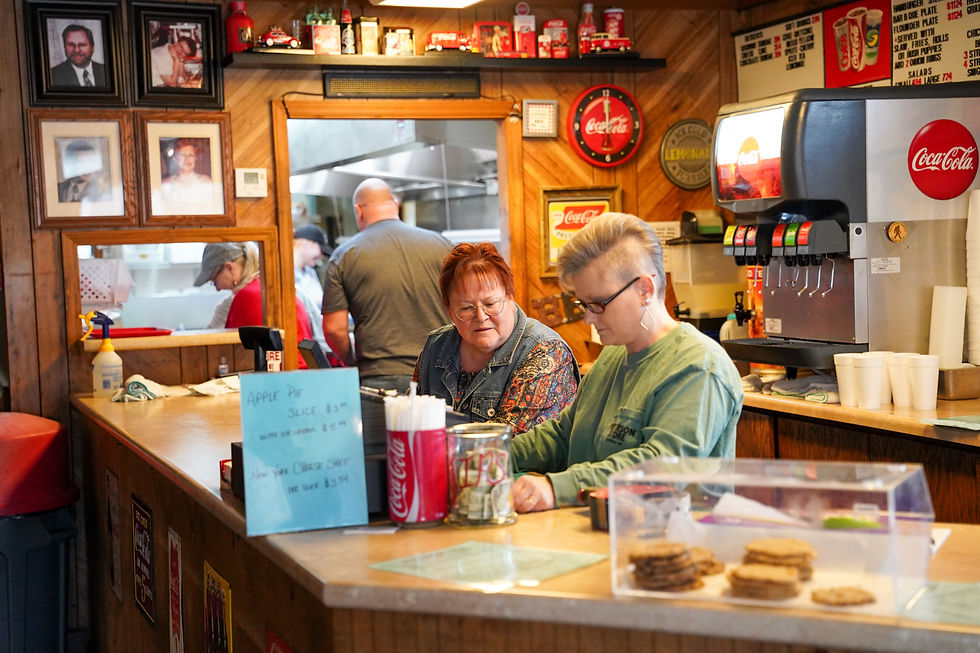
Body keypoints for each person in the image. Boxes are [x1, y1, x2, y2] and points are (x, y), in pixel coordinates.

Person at [510, 213, 743, 513]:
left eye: (598, 304)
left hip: (671, 545)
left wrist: (557, 488)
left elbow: (663, 468)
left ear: (644, 289)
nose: (588, 318)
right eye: (583, 304)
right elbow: (564, 435)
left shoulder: (699, 367)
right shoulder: (613, 353)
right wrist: (492, 454)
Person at [414, 243, 580, 432]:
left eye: (490, 303)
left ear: (510, 298)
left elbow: (510, 442)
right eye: (466, 308)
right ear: (450, 311)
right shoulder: (436, 347)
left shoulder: (546, 352)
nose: (481, 317)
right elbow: (411, 420)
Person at [322, 178, 452, 392]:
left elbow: (335, 329)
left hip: (380, 377)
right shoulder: (442, 245)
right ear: (395, 205)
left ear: (358, 210)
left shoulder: (345, 255)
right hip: (440, 374)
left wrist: (351, 359)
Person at [194, 242, 313, 365]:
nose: (217, 288)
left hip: (286, 372)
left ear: (230, 268)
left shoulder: (247, 295)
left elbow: (234, 351)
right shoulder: (268, 285)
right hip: (299, 369)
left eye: (214, 281)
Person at [293, 223, 331, 350]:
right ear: (306, 243)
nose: (321, 255)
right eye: (320, 249)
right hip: (297, 341)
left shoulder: (310, 273)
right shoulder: (283, 274)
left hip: (316, 341)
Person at [160, 139, 213, 203]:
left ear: (195, 158)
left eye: (191, 155)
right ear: (175, 158)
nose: (187, 159)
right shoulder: (166, 184)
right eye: (182, 155)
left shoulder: (206, 182)